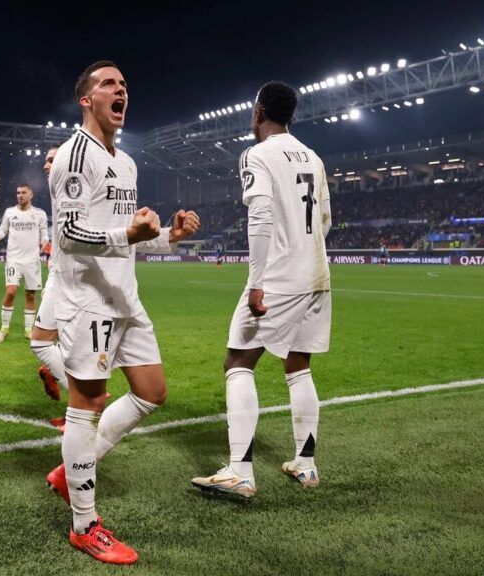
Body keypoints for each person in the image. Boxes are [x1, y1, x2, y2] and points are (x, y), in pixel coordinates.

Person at [43, 61, 200, 565]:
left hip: (124, 297)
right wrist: (125, 235)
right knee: (86, 404)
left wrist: (169, 238)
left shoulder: (127, 164)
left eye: (124, 84)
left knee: (152, 392)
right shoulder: (73, 155)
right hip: (87, 300)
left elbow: (128, 244)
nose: (121, 90)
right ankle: (85, 525)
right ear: (86, 100)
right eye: (109, 84)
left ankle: (71, 471)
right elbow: (67, 234)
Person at [191, 81, 331, 499]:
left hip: (280, 278)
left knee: (238, 361)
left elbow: (262, 217)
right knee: (298, 364)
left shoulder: (257, 154)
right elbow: (323, 221)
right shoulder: (314, 158)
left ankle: (239, 471)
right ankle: (305, 465)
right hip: (317, 275)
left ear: (257, 112)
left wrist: (257, 282)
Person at [28, 147, 70, 407]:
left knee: (75, 342)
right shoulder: (61, 192)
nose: (46, 165)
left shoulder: (69, 190)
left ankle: (56, 374)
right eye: (45, 161)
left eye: (52, 160)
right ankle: (83, 404)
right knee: (42, 342)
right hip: (64, 276)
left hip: (69, 274)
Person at [0, 185, 49, 343]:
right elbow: (3, 229)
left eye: (23, 193)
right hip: (14, 259)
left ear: (31, 194)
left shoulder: (39, 214)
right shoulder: (10, 212)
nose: (20, 195)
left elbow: (44, 233)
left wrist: (44, 241)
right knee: (11, 292)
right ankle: (4, 328)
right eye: (18, 193)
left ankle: (28, 330)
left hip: (32, 260)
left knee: (30, 295)